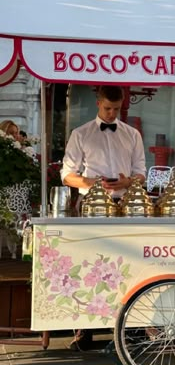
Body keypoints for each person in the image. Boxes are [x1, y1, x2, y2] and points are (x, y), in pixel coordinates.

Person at [61, 85, 146, 350]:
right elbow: (66, 175)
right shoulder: (81, 133)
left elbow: (141, 171)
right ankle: (83, 329)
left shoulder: (132, 134)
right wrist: (92, 181)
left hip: (125, 204)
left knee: (129, 264)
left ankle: (132, 326)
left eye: (116, 109)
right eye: (107, 108)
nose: (111, 114)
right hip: (91, 205)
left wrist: (128, 181)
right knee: (88, 264)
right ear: (98, 103)